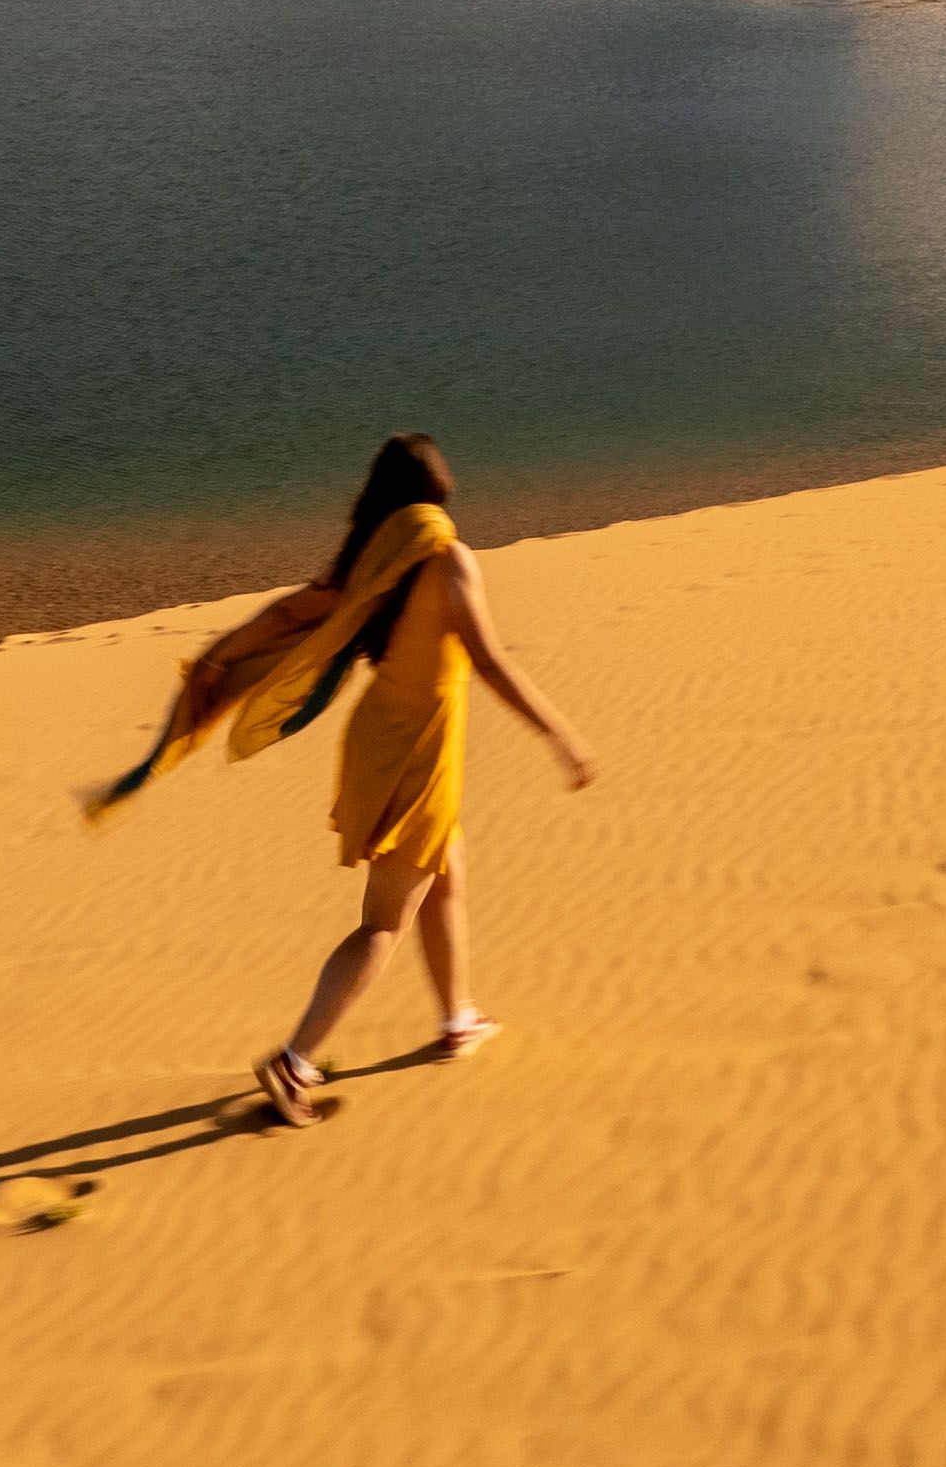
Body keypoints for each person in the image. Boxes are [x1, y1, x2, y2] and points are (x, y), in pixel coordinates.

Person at [87, 433, 599, 1128]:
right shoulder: (446, 559)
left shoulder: (371, 558)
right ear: (439, 488)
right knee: (383, 923)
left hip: (378, 741)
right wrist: (560, 736)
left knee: (445, 873)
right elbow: (489, 661)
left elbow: (287, 613)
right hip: (418, 754)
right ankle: (296, 1061)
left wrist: (218, 657)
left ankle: (457, 1018)